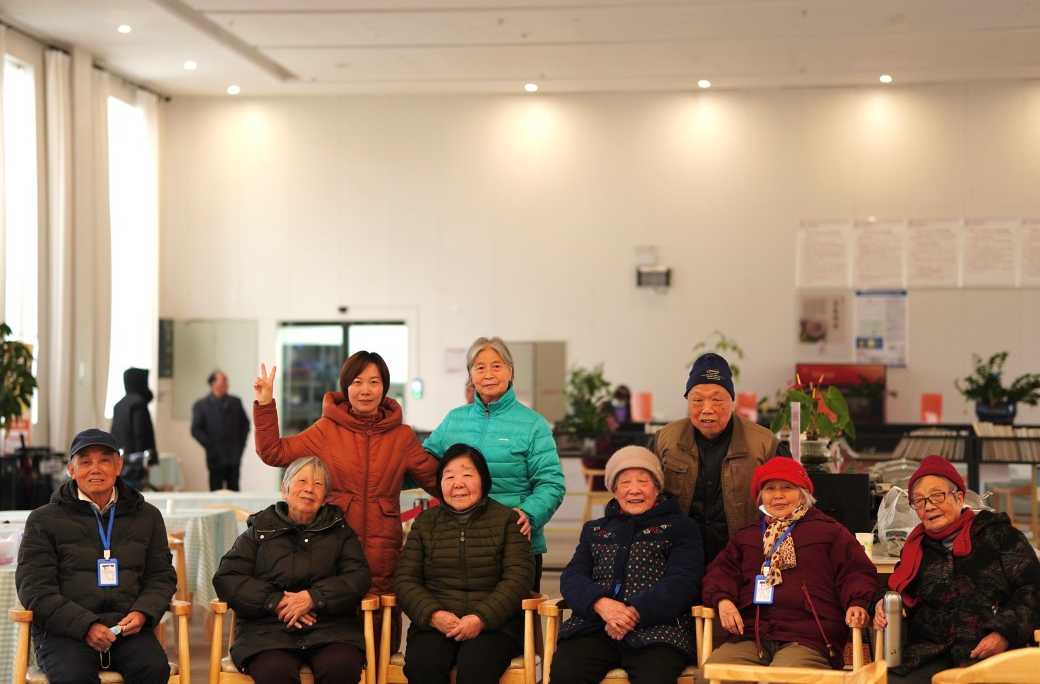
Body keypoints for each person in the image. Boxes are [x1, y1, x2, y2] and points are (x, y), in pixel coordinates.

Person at [253, 350, 439, 651]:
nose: (366, 390)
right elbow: (273, 452)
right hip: (331, 546)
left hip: (383, 551)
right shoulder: (326, 430)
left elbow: (439, 482)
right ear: (346, 387)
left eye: (374, 382)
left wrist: (485, 492)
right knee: (332, 631)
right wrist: (265, 404)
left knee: (380, 630)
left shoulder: (402, 437)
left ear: (384, 388)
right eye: (357, 382)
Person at [16, 428, 177, 684]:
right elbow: (35, 590)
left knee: (154, 669)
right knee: (74, 676)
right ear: (71, 469)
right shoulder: (44, 519)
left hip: (126, 630)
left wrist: (143, 612)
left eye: (104, 460)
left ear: (118, 466)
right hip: (65, 633)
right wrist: (86, 626)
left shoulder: (147, 516)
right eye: (85, 462)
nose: (95, 469)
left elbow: (161, 576)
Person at [871, 455, 1040, 684]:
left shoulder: (999, 535)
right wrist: (881, 602)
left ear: (959, 497)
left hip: (994, 651)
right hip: (930, 655)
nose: (929, 506)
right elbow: (894, 589)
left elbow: (1033, 589)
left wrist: (1004, 633)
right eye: (919, 501)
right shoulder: (916, 548)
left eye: (937, 496)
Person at [700, 458, 878, 675]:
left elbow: (856, 572)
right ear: (760, 496)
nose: (778, 495)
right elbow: (721, 572)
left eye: (787, 487)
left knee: (782, 678)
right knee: (709, 675)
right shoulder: (746, 536)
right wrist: (723, 600)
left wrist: (857, 602)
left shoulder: (829, 532)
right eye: (769, 488)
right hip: (751, 634)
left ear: (803, 493)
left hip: (808, 637)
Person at [550, 446, 704, 684]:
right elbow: (573, 577)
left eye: (643, 481)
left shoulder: (680, 528)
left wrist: (633, 612)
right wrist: (601, 605)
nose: (634, 489)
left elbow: (684, 581)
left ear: (657, 488)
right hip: (595, 627)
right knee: (566, 672)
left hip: (658, 631)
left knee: (654, 677)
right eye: (624, 482)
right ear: (614, 490)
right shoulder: (595, 529)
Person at [423, 336, 566, 591]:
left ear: (510, 371)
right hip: (460, 542)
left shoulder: (533, 424)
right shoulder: (455, 420)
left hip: (515, 543)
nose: (488, 374)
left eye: (496, 366)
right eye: (480, 367)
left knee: (514, 615)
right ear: (471, 375)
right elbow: (422, 464)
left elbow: (551, 483)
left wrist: (529, 514)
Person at [213, 456, 372, 684]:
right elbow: (227, 578)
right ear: (284, 490)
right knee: (274, 670)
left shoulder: (340, 532)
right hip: (267, 631)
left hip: (331, 630)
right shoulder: (259, 530)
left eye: (318, 484)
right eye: (302, 481)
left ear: (325, 498)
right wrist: (275, 601)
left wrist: (314, 597)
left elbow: (358, 577)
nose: (309, 489)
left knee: (341, 666)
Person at [395, 444, 535, 684]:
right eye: (449, 476)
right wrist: (434, 614)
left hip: (495, 626)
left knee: (476, 666)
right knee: (423, 665)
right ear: (440, 484)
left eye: (468, 475)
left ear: (484, 480)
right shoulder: (425, 522)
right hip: (436, 624)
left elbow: (519, 578)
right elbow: (405, 579)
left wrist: (480, 618)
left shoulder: (507, 521)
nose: (458, 484)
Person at [653, 352, 789, 565]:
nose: (707, 409)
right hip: (678, 556)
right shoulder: (665, 439)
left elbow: (793, 503)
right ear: (688, 402)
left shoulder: (766, 444)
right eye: (698, 400)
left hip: (745, 557)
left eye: (717, 399)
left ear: (732, 403)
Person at [191, 369, 251, 490]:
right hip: (215, 456)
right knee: (216, 489)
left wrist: (241, 445)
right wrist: (210, 445)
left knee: (234, 488)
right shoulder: (201, 405)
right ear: (213, 383)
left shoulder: (235, 402)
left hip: (233, 455)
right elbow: (196, 429)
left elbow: (245, 424)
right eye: (223, 380)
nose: (226, 384)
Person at [111, 366, 157, 489]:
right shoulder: (139, 403)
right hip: (135, 466)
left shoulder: (119, 405)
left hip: (121, 463)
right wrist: (147, 460)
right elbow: (141, 434)